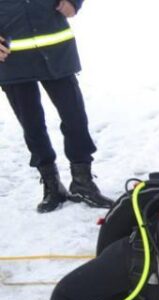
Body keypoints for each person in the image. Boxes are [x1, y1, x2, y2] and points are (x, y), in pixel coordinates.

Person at [0, 0, 112, 213]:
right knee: (32, 126)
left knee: (75, 117)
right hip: (12, 59)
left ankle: (82, 182)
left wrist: (73, 2)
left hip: (56, 51)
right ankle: (52, 185)